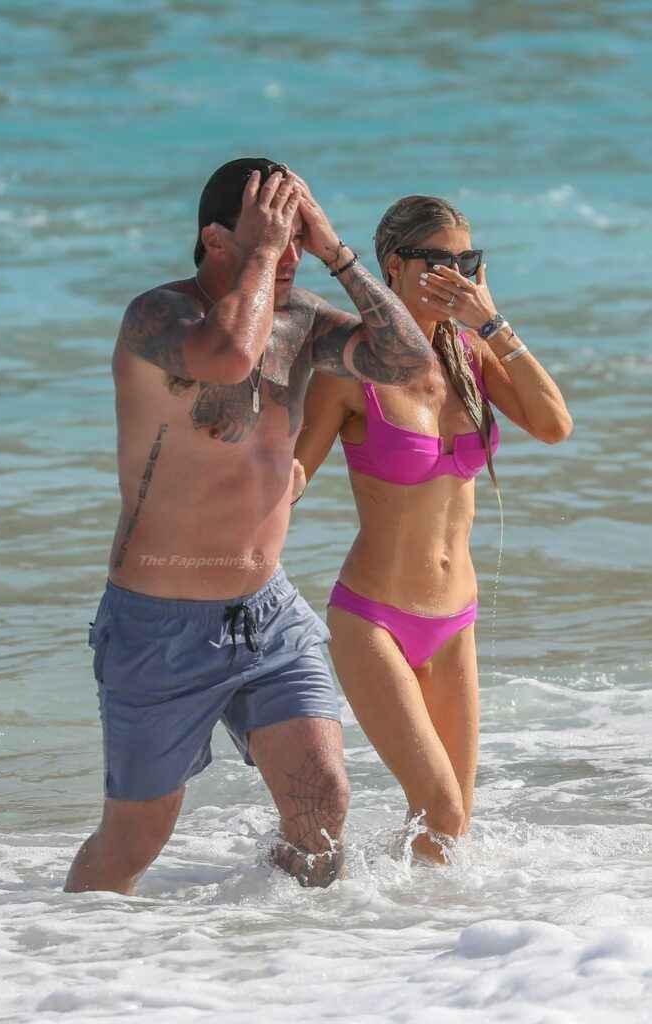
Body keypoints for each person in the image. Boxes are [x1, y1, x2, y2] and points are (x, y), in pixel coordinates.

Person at [64, 160, 439, 895]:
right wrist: (267, 252)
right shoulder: (158, 317)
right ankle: (66, 953)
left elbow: (409, 363)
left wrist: (338, 253)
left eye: (297, 235)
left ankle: (262, 943)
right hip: (157, 625)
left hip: (268, 615)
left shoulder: (302, 320)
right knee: (133, 841)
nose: (288, 251)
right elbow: (231, 355)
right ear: (215, 240)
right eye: (272, 232)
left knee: (321, 803)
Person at [294, 195, 573, 863]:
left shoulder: (470, 354)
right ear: (394, 266)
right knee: (441, 808)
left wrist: (492, 320)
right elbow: (290, 479)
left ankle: (388, 923)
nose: (456, 277)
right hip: (374, 622)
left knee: (448, 832)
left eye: (467, 263)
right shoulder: (350, 370)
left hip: (455, 624)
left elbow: (554, 425)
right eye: (440, 262)